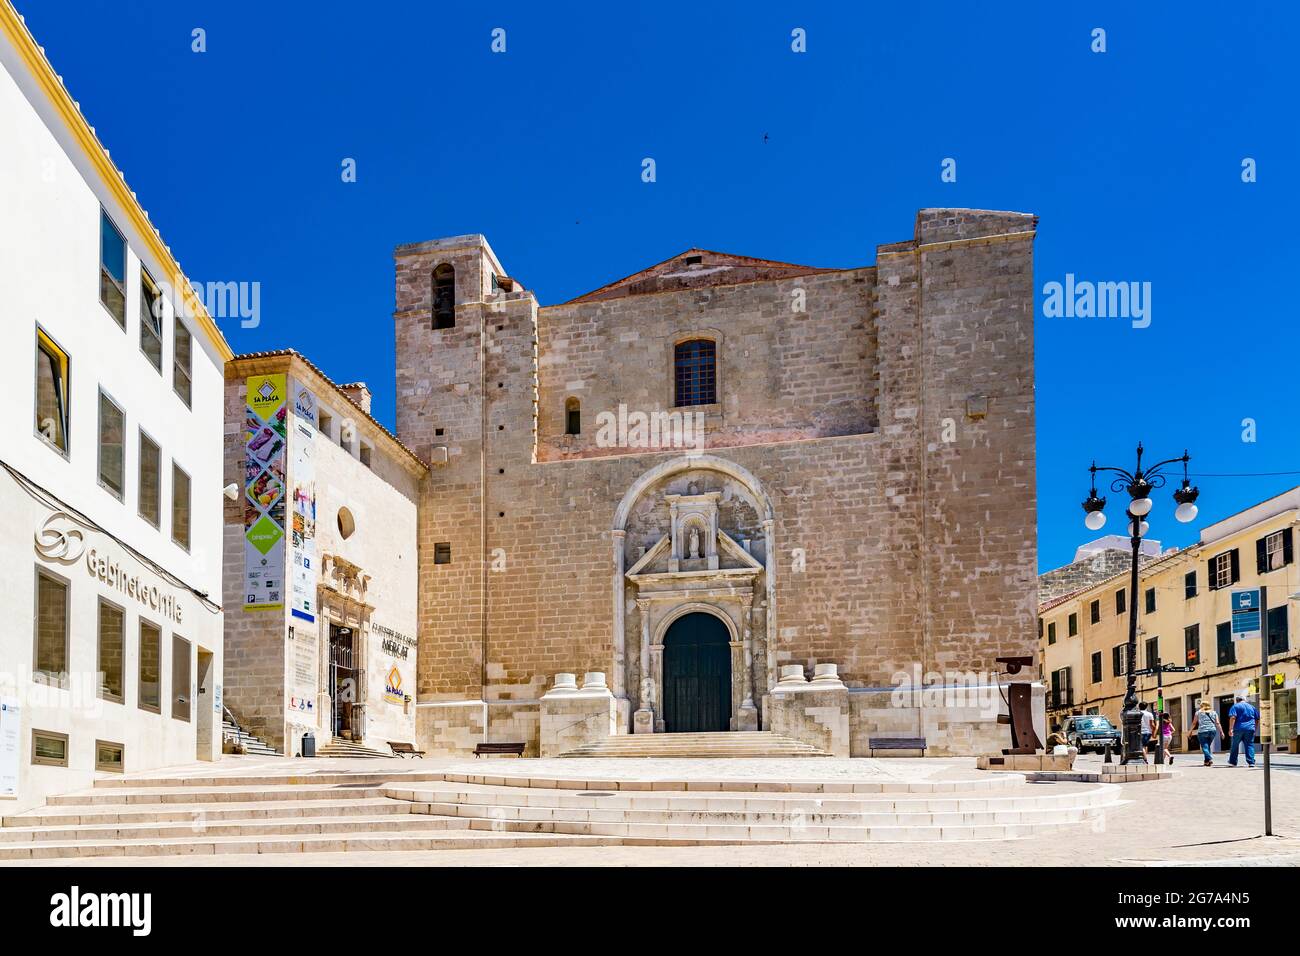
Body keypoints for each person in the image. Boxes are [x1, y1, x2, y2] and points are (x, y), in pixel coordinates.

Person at [1227, 693, 1259, 768]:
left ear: (1237, 700)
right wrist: (1255, 729)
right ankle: (1251, 762)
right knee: (1249, 745)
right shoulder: (1252, 707)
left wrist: (1231, 729)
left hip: (1238, 729)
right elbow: (1257, 719)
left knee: (1235, 745)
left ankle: (1233, 762)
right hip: (1250, 729)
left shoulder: (1235, 706)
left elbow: (1233, 717)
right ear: (1244, 700)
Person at [1193, 700, 1223, 766]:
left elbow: (1194, 723)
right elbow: (1217, 723)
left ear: (1201, 706)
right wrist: (1221, 732)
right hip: (1212, 731)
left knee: (1204, 746)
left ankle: (1209, 758)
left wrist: (1189, 732)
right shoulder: (1214, 712)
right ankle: (1207, 762)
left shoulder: (1198, 713)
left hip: (1202, 731)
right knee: (1207, 746)